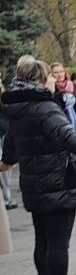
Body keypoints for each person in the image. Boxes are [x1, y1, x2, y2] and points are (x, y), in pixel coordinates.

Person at [0, 57, 76, 275]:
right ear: (39, 78)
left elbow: (12, 146)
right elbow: (66, 136)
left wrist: (6, 162)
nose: (54, 80)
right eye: (50, 76)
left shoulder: (18, 107)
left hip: (33, 183)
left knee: (43, 241)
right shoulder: (44, 106)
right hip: (57, 182)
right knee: (58, 243)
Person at [0, 79, 16, 209]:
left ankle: (7, 197)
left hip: (4, 133)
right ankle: (7, 197)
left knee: (5, 167)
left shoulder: (5, 100)